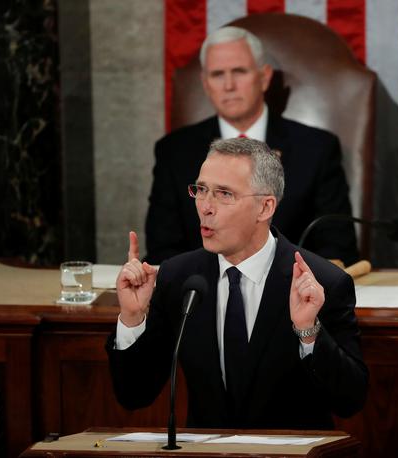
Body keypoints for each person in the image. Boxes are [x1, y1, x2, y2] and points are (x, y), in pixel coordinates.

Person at [107, 138, 368, 429]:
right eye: (201, 190)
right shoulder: (177, 277)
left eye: (224, 194)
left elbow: (350, 401)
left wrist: (309, 333)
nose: (205, 207)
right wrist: (131, 319)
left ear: (265, 207)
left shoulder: (322, 283)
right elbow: (134, 395)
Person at [145, 26, 358, 267]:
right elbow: (162, 248)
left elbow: (338, 246)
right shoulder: (174, 151)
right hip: (203, 294)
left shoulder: (317, 148)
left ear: (264, 77)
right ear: (206, 85)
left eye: (239, 71)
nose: (228, 85)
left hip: (290, 293)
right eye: (217, 75)